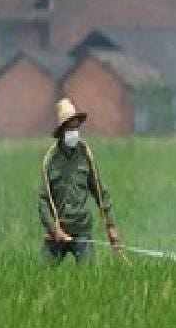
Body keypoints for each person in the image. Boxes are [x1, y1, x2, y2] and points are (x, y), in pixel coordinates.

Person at [38, 97, 122, 265]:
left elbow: (100, 192)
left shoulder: (86, 155)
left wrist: (111, 227)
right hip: (58, 231)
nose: (74, 132)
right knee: (40, 275)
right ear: (62, 131)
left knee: (87, 279)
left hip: (82, 230)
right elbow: (43, 201)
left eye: (76, 127)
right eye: (70, 128)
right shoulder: (50, 160)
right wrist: (54, 230)